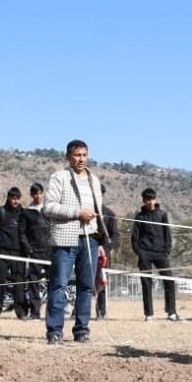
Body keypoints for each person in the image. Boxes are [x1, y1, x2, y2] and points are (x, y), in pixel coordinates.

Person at [42, 139, 108, 344]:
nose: (81, 159)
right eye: (77, 155)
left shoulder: (94, 180)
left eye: (84, 155)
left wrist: (101, 239)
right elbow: (49, 207)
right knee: (59, 285)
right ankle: (54, 331)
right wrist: (77, 213)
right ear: (68, 157)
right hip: (65, 239)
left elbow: (98, 212)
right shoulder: (59, 177)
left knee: (87, 286)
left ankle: (82, 331)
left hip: (91, 239)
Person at [131, 188, 180, 321]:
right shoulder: (139, 217)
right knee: (146, 283)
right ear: (144, 201)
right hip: (145, 253)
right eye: (147, 199)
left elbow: (167, 234)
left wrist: (167, 250)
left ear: (155, 199)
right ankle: (149, 314)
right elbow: (134, 237)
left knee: (169, 280)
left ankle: (171, 312)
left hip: (160, 253)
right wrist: (139, 252)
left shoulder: (162, 215)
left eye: (152, 199)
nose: (150, 202)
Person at [0, 187, 28, 332]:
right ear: (9, 198)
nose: (15, 201)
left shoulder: (24, 214)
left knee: (19, 282)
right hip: (3, 252)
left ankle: (21, 311)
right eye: (13, 198)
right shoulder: (1, 212)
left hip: (19, 253)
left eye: (17, 198)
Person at [19, 182, 51, 320]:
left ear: (43, 193)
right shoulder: (27, 212)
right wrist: (28, 248)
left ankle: (53, 313)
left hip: (50, 251)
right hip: (34, 252)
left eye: (40, 193)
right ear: (32, 195)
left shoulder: (49, 209)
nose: (38, 196)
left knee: (53, 282)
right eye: (35, 194)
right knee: (33, 283)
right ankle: (35, 313)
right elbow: (22, 232)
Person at [95, 184, 120, 320]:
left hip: (102, 256)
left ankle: (101, 312)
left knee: (101, 283)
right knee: (82, 281)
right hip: (86, 252)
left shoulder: (109, 214)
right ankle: (78, 311)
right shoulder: (86, 211)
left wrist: (105, 249)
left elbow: (115, 236)